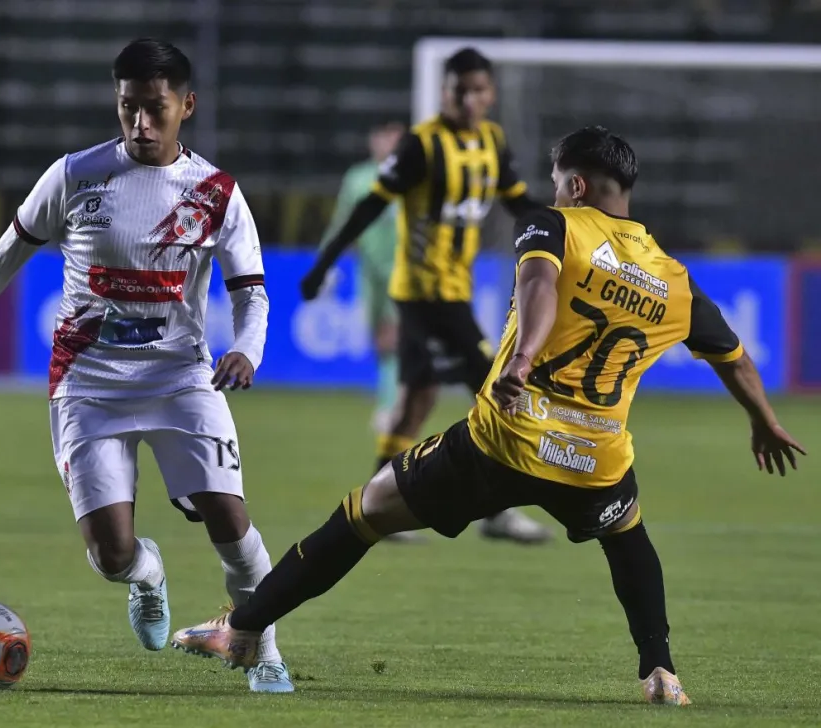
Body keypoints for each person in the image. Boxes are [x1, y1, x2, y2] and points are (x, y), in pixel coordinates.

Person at [170, 126, 806, 705]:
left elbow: (537, 286)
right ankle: (661, 672)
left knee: (364, 511)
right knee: (628, 540)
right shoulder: (675, 280)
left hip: (508, 438)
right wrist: (763, 420)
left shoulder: (554, 225)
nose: (554, 194)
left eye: (559, 185)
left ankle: (242, 630)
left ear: (576, 184)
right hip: (596, 460)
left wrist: (524, 356)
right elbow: (736, 358)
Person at [0, 38, 293, 694]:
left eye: (156, 109)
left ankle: (264, 651)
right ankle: (147, 577)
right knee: (112, 555)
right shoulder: (74, 175)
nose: (141, 123)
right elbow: (6, 255)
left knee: (228, 516)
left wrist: (246, 350)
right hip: (86, 385)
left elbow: (250, 291)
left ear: (187, 106)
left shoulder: (217, 192)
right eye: (128, 109)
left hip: (180, 377)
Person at [300, 47, 552, 544]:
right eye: (459, 90)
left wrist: (564, 232)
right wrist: (325, 263)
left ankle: (374, 505)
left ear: (490, 94)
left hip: (454, 288)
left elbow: (518, 201)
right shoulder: (421, 145)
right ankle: (497, 511)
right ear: (445, 92)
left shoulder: (493, 143)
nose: (468, 100)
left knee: (418, 396)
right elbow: (372, 204)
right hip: (424, 293)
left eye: (477, 90)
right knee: (498, 386)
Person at [321, 122, 404, 435]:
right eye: (384, 136)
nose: (388, 143)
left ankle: (390, 407)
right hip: (368, 271)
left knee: (394, 337)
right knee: (380, 342)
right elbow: (342, 223)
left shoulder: (409, 177)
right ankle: (391, 401)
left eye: (395, 137)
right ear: (374, 140)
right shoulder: (358, 178)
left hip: (401, 270)